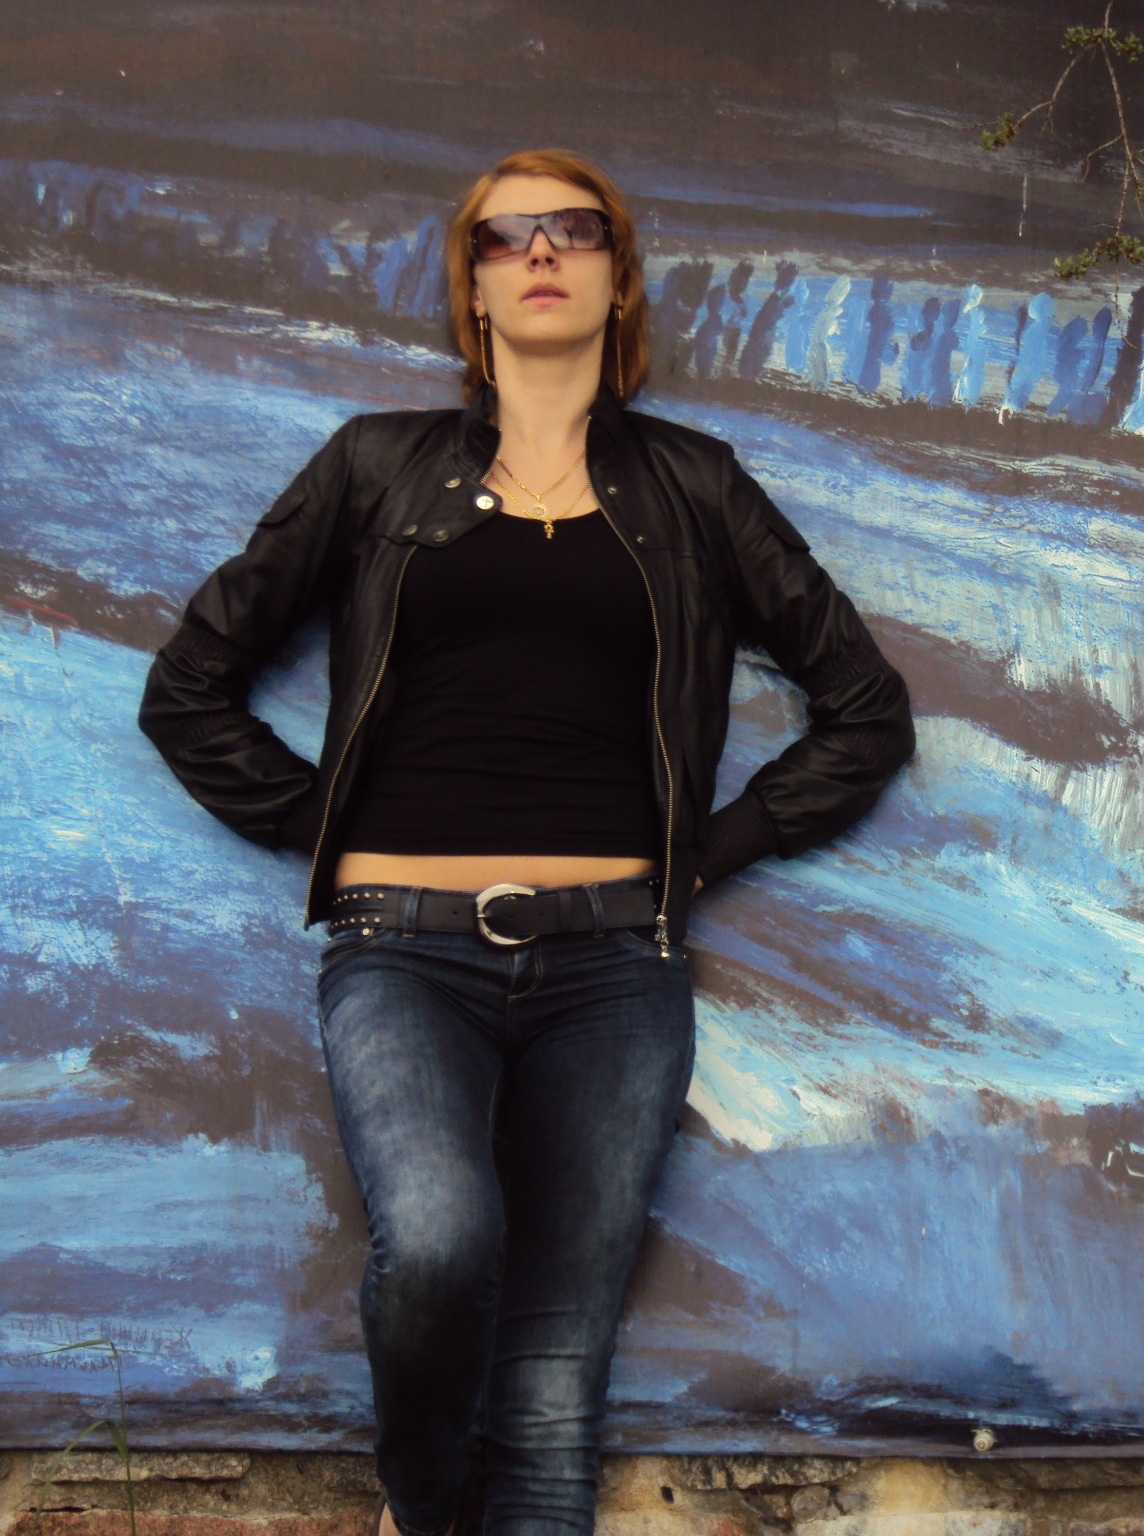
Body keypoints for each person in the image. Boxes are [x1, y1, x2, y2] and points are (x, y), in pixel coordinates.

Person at [136, 147, 915, 1536]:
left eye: (574, 230)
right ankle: (426, 1509)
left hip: (616, 973)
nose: (541, 252)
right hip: (402, 954)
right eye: (506, 238)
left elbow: (864, 709)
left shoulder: (694, 485)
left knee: (554, 1389)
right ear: (474, 290)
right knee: (439, 1245)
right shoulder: (374, 466)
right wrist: (331, 829)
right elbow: (188, 686)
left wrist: (710, 853)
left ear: (619, 281)